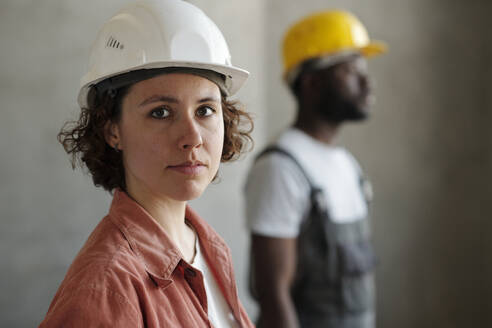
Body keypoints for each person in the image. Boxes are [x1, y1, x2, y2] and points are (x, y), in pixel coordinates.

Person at [39, 0, 254, 327]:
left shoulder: (207, 246)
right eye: (161, 112)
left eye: (205, 110)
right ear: (112, 130)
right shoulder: (106, 291)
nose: (192, 137)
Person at [245, 10, 387, 328]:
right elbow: (273, 296)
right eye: (351, 71)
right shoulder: (281, 168)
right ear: (312, 82)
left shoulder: (346, 163)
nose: (367, 82)